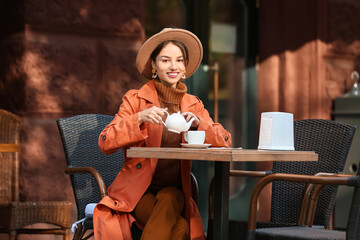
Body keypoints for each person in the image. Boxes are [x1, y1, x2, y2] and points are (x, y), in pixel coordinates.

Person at [93, 28, 231, 240]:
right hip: (138, 193)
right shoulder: (135, 100)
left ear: (185, 68)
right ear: (154, 66)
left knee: (170, 196)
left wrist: (199, 124)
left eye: (179, 60)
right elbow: (105, 141)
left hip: (177, 191)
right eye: (165, 60)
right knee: (180, 229)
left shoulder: (193, 105)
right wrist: (139, 118)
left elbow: (225, 141)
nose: (173, 66)